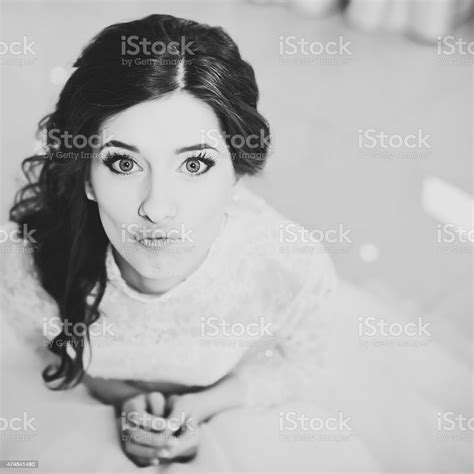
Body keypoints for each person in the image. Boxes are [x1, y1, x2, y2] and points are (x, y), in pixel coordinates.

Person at [0, 13, 337, 467]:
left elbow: (305, 365)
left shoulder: (286, 264)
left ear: (236, 172)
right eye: (123, 164)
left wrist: (204, 406)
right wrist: (119, 396)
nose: (157, 208)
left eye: (195, 165)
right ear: (87, 178)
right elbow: (44, 345)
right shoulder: (27, 262)